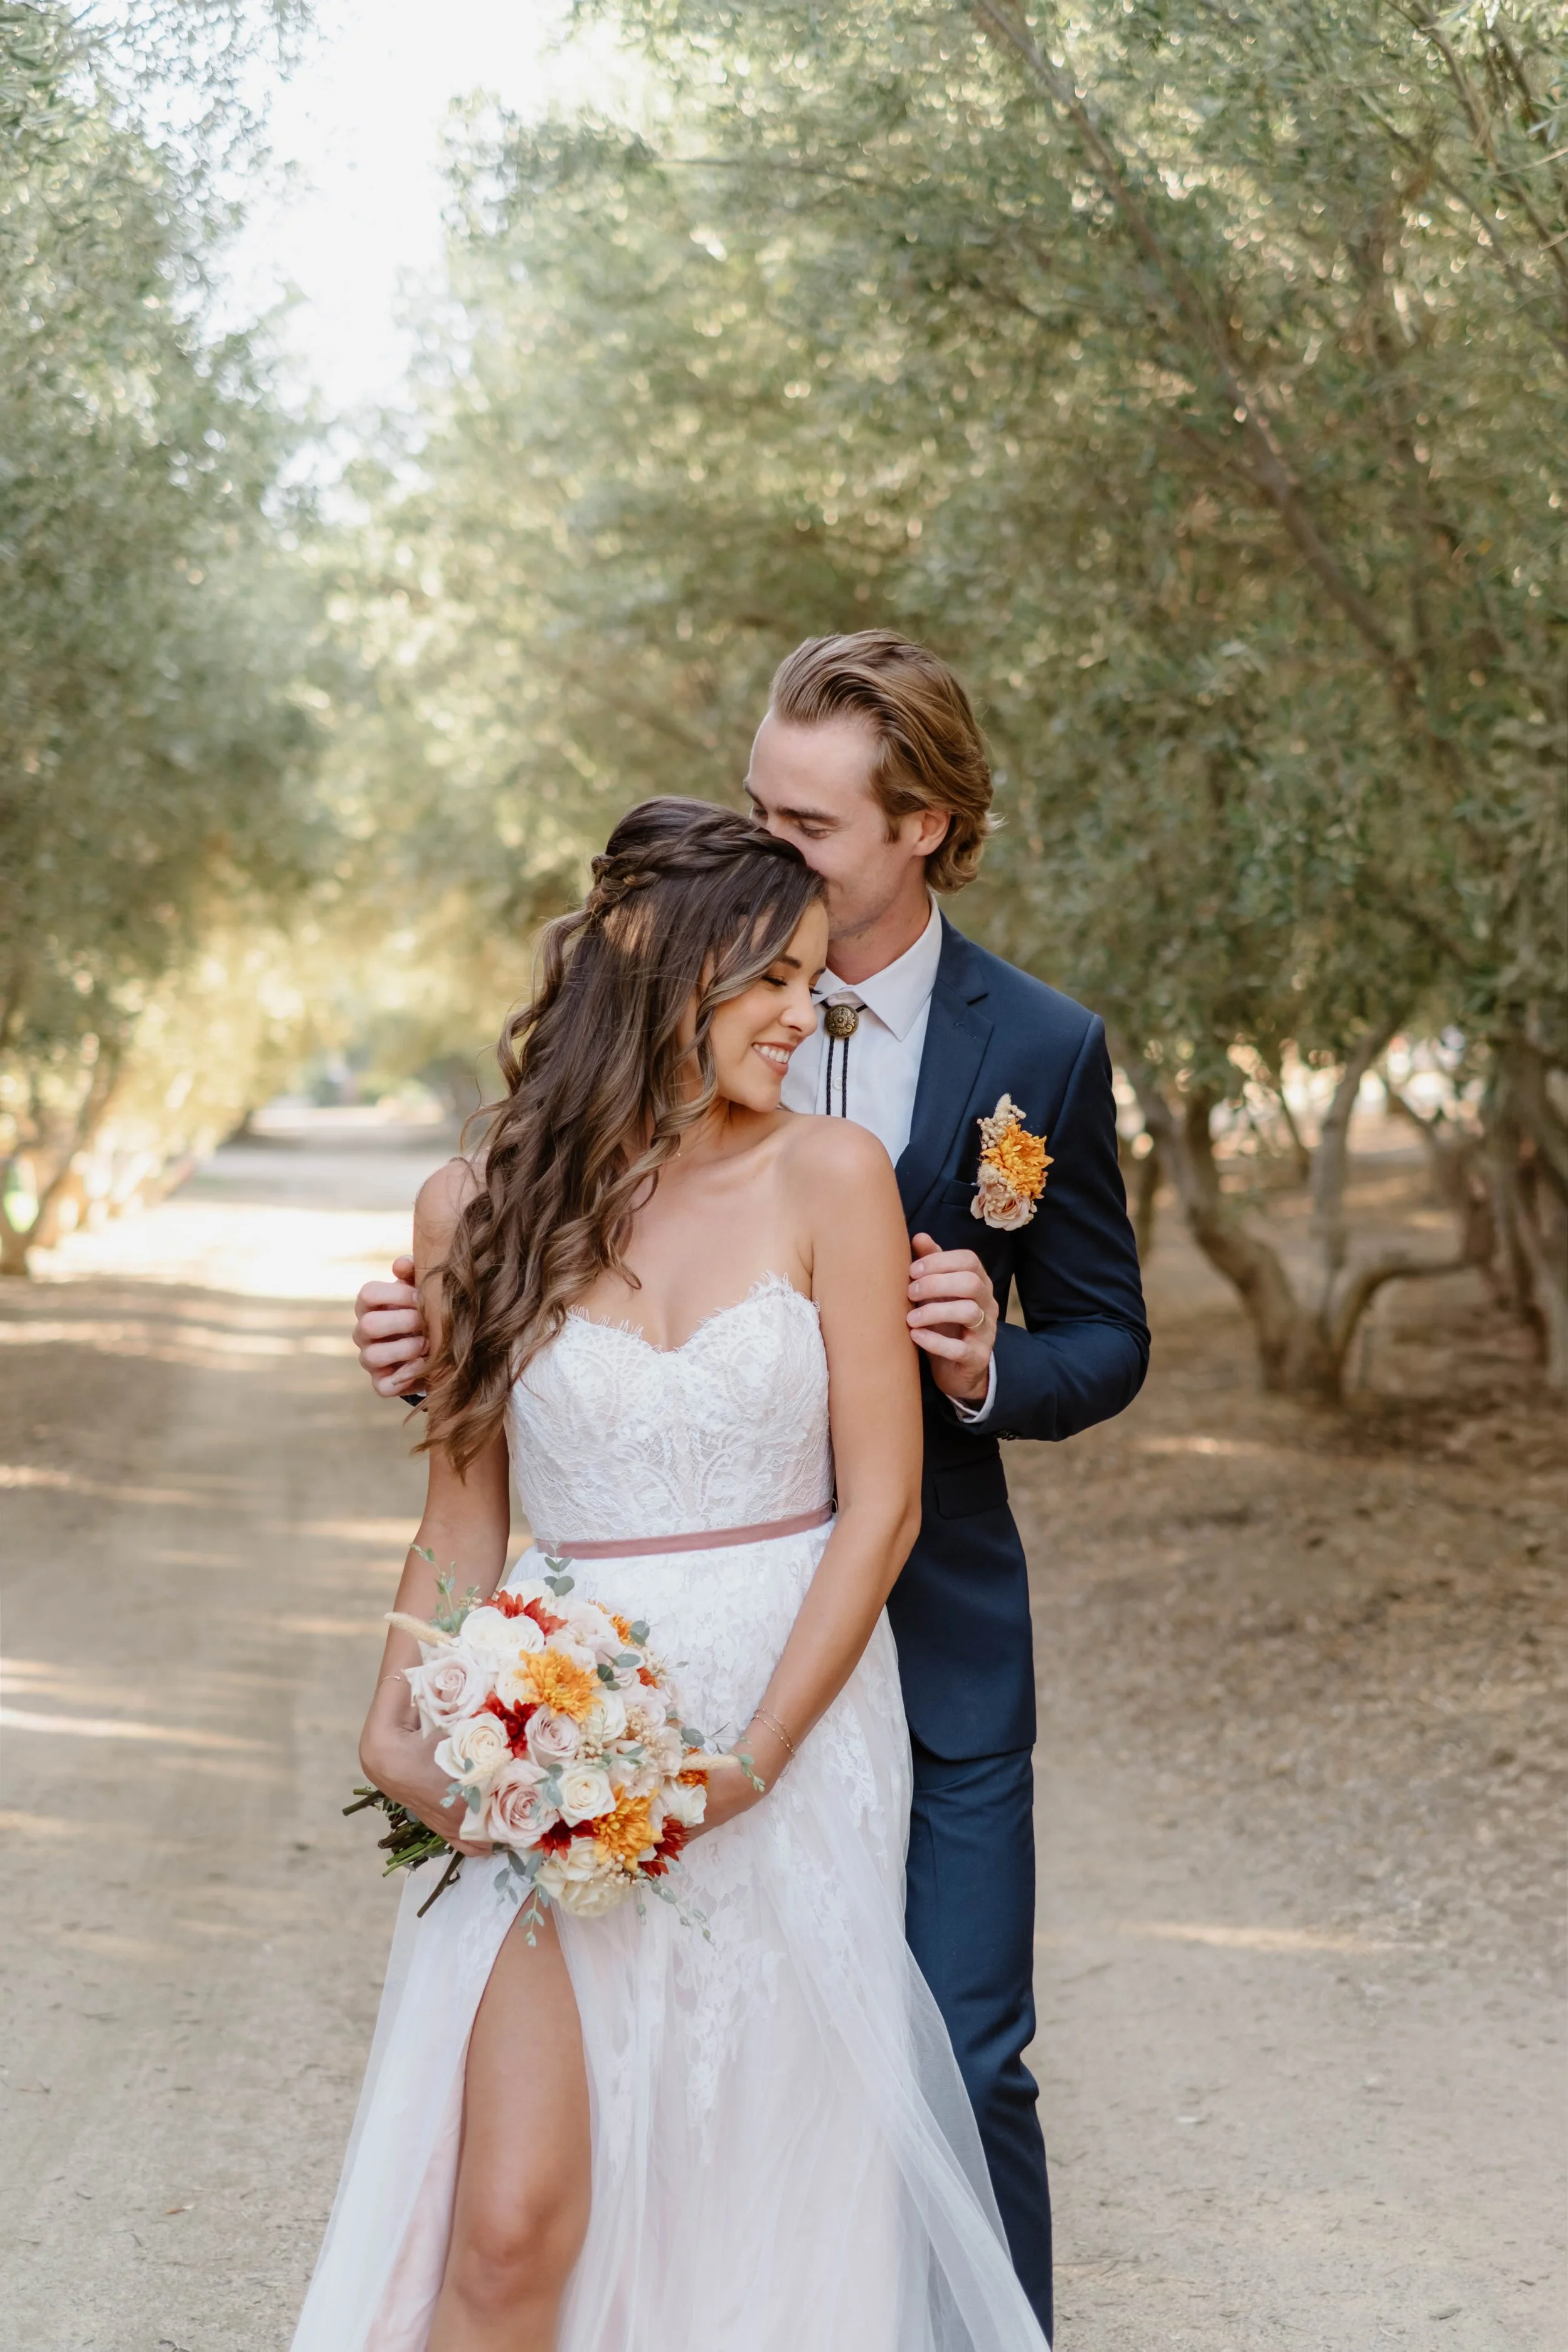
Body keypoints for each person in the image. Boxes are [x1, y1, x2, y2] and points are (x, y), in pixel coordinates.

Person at [352, 633, 1151, 2343]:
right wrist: (432, 1348)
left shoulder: (1026, 1056)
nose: (776, 850)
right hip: (578, 1687)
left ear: (920, 825)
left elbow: (1097, 1338)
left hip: (867, 1646)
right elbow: (482, 1461)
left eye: (812, 827)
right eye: (756, 816)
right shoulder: (505, 1181)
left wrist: (982, 1367)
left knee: (948, 2069)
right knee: (527, 2200)